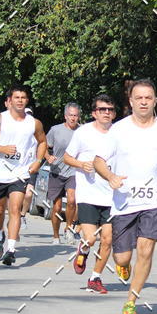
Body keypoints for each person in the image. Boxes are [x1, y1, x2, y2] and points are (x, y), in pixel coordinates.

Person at [93, 78, 157, 314]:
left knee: (146, 251)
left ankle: (130, 303)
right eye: (139, 98)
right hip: (124, 202)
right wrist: (111, 176)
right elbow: (98, 161)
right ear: (131, 101)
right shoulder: (119, 130)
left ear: (155, 101)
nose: (144, 101)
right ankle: (123, 266)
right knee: (122, 258)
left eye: (148, 97)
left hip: (154, 201)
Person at [0, 85, 47, 266]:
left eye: (23, 97)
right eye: (16, 97)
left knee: (15, 209)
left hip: (20, 173)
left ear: (27, 101)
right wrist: (0, 148)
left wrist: (38, 161)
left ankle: (11, 249)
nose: (20, 100)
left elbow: (42, 142)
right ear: (10, 100)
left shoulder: (34, 123)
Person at [63, 93, 116, 294]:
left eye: (110, 110)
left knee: (108, 239)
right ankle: (83, 250)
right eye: (102, 109)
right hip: (88, 194)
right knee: (91, 239)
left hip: (111, 196)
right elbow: (67, 158)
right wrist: (81, 164)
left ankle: (95, 277)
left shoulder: (119, 133)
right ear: (94, 113)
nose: (106, 113)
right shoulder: (83, 133)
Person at [45, 103, 80, 245]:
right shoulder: (55, 130)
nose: (73, 118)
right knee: (57, 207)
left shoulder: (83, 131)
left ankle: (69, 228)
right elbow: (43, 146)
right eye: (71, 115)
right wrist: (48, 157)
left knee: (72, 200)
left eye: (76, 115)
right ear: (65, 116)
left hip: (74, 171)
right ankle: (55, 236)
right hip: (57, 170)